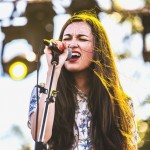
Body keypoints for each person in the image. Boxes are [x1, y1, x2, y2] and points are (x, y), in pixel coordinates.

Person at [28, 10, 139, 150]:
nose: (72, 44)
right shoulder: (42, 92)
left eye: (82, 38)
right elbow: (40, 136)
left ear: (97, 48)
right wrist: (53, 71)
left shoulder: (120, 103)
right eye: (67, 38)